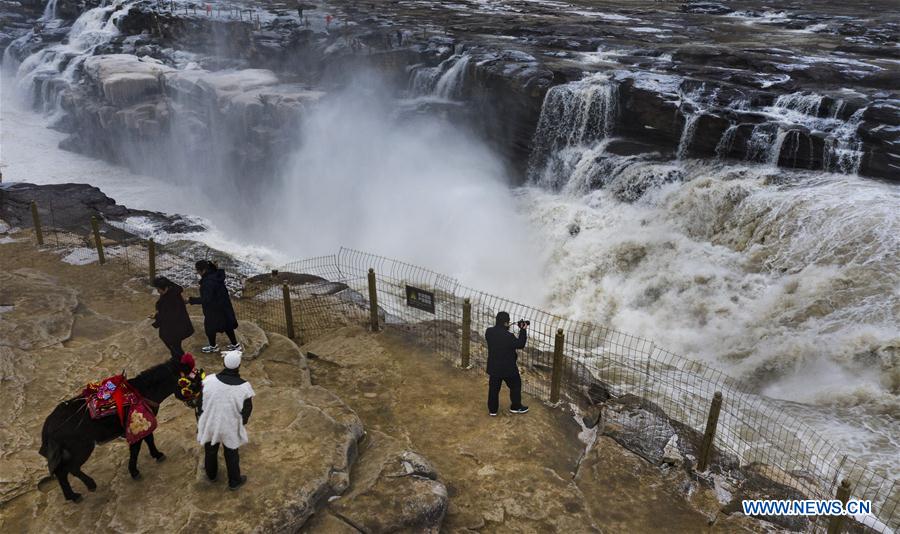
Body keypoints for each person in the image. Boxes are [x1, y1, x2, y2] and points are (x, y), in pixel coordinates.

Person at [196, 350, 253, 490]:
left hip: (210, 421)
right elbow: (246, 410)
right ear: (239, 366)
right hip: (230, 424)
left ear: (224, 363)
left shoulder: (209, 379)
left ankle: (211, 474)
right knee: (231, 452)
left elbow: (200, 401)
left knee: (210, 449)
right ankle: (234, 481)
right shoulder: (244, 386)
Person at [189, 260, 240, 353]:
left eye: (198, 271)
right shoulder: (216, 275)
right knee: (227, 325)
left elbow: (206, 299)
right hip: (224, 306)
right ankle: (235, 345)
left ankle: (213, 347)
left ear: (203, 270)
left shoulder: (208, 282)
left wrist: (191, 300)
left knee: (209, 328)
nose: (198, 273)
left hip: (214, 309)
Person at [485, 311, 528, 416]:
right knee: (515, 385)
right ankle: (516, 406)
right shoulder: (509, 336)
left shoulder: (489, 332)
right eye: (508, 322)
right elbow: (520, 344)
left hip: (494, 367)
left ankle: (493, 410)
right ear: (505, 323)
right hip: (508, 368)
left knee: (494, 389)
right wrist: (523, 330)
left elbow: (499, 337)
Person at [151, 276, 195, 360]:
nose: (158, 291)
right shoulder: (173, 292)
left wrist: (156, 316)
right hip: (179, 325)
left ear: (165, 288)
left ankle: (183, 362)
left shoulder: (169, 299)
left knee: (174, 346)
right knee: (176, 345)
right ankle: (178, 359)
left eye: (159, 289)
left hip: (174, 328)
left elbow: (167, 316)